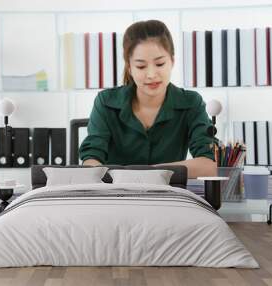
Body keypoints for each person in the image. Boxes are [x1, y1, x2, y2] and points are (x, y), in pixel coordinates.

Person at [79, 20, 217, 178]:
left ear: (172, 61)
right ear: (129, 67)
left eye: (159, 64)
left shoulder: (191, 102)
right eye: (141, 66)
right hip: (115, 197)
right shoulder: (105, 101)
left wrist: (148, 173)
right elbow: (91, 161)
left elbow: (208, 165)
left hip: (167, 198)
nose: (151, 74)